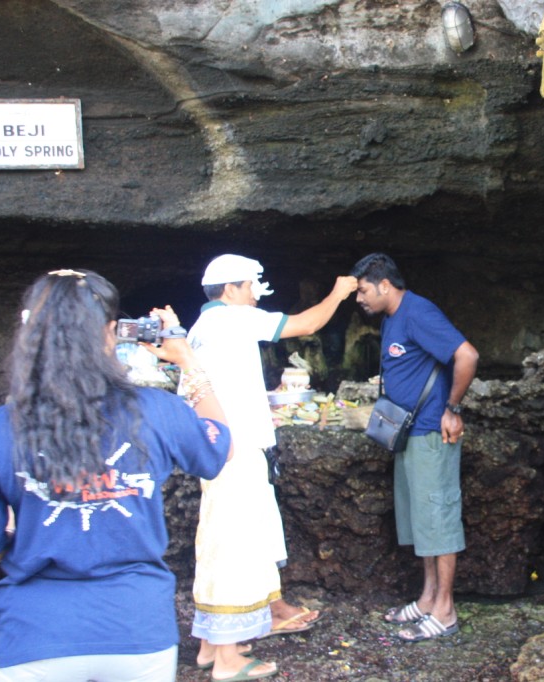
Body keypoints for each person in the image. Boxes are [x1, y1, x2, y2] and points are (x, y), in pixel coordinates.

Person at [0, 269, 233, 682]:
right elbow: (220, 448)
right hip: (136, 630)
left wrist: (25, 523)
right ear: (112, 332)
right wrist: (187, 358)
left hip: (37, 634)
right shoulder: (156, 410)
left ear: (30, 331)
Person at [187, 254, 357, 678]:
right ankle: (227, 661)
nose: (254, 296)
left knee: (220, 540)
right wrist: (338, 293)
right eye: (250, 287)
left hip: (222, 449)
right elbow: (306, 325)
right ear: (230, 289)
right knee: (233, 549)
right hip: (235, 451)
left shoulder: (202, 327)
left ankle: (211, 644)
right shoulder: (232, 319)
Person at [351, 253, 479, 642]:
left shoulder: (418, 312)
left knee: (438, 520)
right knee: (421, 521)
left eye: (362, 290)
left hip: (430, 434)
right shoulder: (393, 318)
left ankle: (445, 610)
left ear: (384, 284)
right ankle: (427, 599)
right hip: (408, 435)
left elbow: (467, 355)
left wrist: (452, 410)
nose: (359, 298)